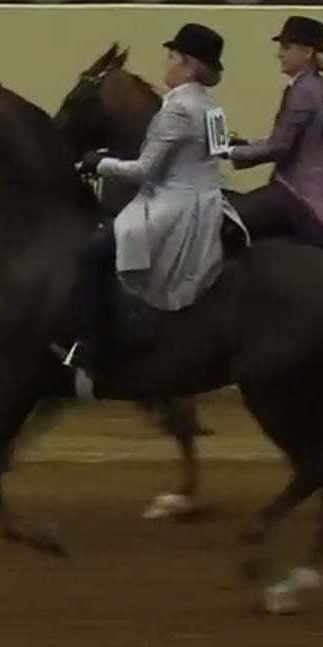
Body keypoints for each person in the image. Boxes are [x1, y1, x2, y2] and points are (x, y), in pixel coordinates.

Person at [64, 23, 242, 398]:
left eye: (173, 56)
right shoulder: (211, 107)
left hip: (174, 208)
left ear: (189, 65)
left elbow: (144, 169)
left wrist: (98, 163)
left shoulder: (176, 109)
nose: (167, 62)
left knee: (91, 255)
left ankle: (92, 348)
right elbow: (219, 153)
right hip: (210, 201)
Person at [221, 15, 323, 248]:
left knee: (229, 221)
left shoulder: (303, 91)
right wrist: (245, 143)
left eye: (286, 48)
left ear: (307, 52)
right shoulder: (319, 85)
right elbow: (290, 138)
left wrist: (229, 152)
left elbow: (279, 147)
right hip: (321, 181)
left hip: (297, 191)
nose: (279, 54)